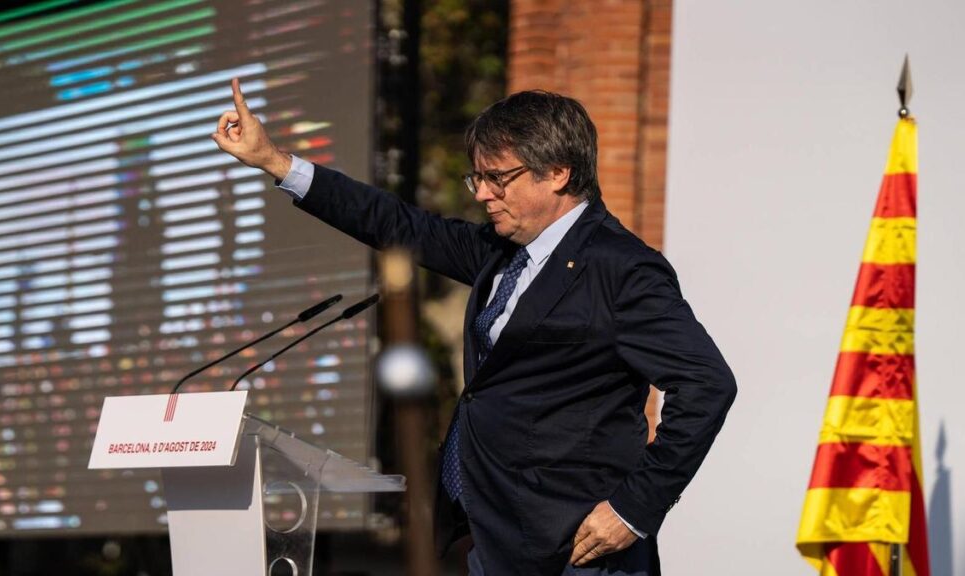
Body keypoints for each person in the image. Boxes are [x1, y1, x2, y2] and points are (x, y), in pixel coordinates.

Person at [213, 79, 736, 575]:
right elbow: (398, 223)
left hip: (575, 547)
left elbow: (707, 385)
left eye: (497, 178)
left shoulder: (619, 268)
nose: (483, 194)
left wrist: (632, 508)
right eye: (477, 178)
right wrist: (275, 162)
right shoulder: (502, 251)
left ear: (556, 172)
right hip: (493, 536)